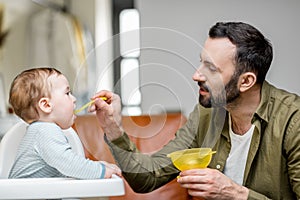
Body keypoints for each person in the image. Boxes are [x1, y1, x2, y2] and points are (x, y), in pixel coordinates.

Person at [88, 22, 300, 199]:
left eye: (212, 68)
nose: (196, 75)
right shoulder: (207, 114)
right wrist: (113, 128)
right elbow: (147, 178)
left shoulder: (293, 122)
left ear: (246, 81)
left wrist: (236, 193)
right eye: (201, 63)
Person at [8, 67, 121, 179]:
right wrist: (102, 171)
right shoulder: (45, 130)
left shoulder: (39, 130)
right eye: (67, 93)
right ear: (46, 105)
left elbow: (67, 166)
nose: (74, 99)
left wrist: (98, 165)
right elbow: (70, 165)